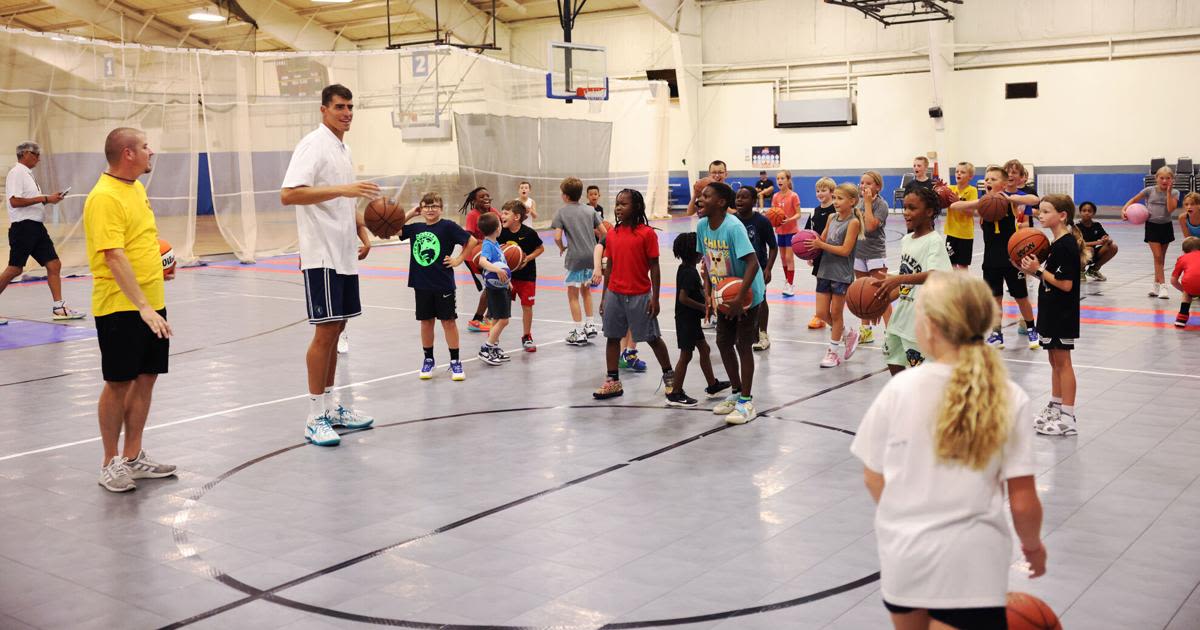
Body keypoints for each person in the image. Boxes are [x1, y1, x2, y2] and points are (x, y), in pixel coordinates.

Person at [851, 271, 1045, 630]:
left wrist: (905, 514)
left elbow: (872, 474)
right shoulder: (1007, 395)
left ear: (931, 327)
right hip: (974, 559)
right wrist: (1032, 546)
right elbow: (1022, 499)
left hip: (905, 554)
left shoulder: (900, 389)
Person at [280, 84, 376, 448]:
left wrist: (362, 231)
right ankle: (314, 415)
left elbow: (343, 199)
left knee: (338, 329)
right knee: (324, 332)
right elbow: (289, 194)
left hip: (343, 251)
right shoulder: (313, 145)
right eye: (339, 106)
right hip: (320, 254)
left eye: (351, 106)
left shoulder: (343, 147)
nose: (347, 112)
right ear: (323, 110)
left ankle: (333, 406)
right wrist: (344, 191)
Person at [83, 127, 177, 492]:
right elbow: (113, 255)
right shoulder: (104, 197)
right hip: (121, 307)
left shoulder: (135, 188)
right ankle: (110, 462)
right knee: (118, 382)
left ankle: (134, 456)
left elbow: (139, 243)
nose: (150, 152)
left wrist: (160, 268)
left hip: (151, 301)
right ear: (127, 153)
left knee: (147, 376)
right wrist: (142, 306)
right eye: (144, 146)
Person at [592, 189, 674, 399]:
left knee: (653, 338)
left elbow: (654, 267)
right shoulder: (612, 233)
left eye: (624, 204)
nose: (618, 208)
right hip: (614, 294)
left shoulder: (647, 233)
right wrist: (604, 296)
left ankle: (671, 378)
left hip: (639, 295)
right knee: (612, 337)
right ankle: (613, 381)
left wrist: (655, 298)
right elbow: (609, 266)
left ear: (636, 207)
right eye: (617, 204)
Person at [949, 166, 1039, 350]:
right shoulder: (984, 204)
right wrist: (977, 203)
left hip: (1012, 259)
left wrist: (1010, 197)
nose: (988, 181)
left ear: (1005, 184)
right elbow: (954, 206)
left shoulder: (1011, 202)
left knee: (1021, 297)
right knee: (995, 298)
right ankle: (997, 333)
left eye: (993, 179)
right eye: (987, 179)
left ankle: (1032, 329)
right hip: (990, 260)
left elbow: (1035, 199)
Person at [1021, 194, 1088, 436]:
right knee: (1053, 362)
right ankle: (1056, 405)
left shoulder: (1066, 244)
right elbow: (1047, 277)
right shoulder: (1054, 243)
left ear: (1062, 216)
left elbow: (1066, 284)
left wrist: (1037, 270)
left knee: (1063, 362)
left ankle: (1068, 417)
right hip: (1049, 309)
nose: (1040, 214)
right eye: (1040, 210)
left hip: (1062, 312)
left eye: (1046, 211)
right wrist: (1029, 268)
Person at [698, 182, 765, 424]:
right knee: (723, 342)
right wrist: (708, 294)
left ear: (721, 203)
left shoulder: (734, 227)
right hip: (724, 296)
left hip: (746, 295)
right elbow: (706, 262)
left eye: (706, 196)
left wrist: (739, 298)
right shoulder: (702, 226)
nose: (700, 199)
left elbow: (753, 263)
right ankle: (736, 392)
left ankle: (747, 401)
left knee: (742, 344)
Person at [1, 141, 84, 324]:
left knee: (54, 264)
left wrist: (49, 200)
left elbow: (30, 201)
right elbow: (14, 201)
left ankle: (59, 307)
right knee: (15, 269)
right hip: (23, 228)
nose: (38, 157)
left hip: (36, 227)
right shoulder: (17, 172)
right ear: (24, 154)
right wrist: (45, 197)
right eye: (35, 153)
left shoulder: (28, 174)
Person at [873, 186, 952, 375]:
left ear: (929, 212)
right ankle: (907, 400)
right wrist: (879, 301)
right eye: (904, 207)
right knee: (893, 359)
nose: (906, 213)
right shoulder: (906, 240)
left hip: (923, 319)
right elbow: (906, 283)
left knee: (921, 374)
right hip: (901, 315)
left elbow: (935, 275)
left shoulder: (934, 241)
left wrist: (898, 278)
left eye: (912, 208)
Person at [399, 192, 474, 380]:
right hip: (421, 283)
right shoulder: (415, 228)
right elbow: (395, 229)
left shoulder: (447, 226)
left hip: (442, 283)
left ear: (441, 209)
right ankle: (428, 360)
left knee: (448, 322)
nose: (430, 210)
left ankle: (455, 362)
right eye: (426, 206)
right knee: (426, 322)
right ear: (420, 209)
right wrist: (410, 213)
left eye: (434, 206)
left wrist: (458, 260)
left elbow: (471, 241)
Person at [667, 231, 730, 407]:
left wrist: (704, 279)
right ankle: (675, 393)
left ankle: (712, 385)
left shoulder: (688, 270)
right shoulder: (688, 273)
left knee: (704, 349)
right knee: (686, 356)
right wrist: (704, 307)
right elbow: (683, 298)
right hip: (686, 321)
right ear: (694, 251)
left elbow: (698, 291)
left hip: (690, 320)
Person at [804, 183, 862, 368]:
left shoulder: (853, 222)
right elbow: (821, 238)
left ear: (852, 201)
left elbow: (845, 250)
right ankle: (847, 334)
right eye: (835, 198)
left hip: (841, 274)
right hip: (825, 270)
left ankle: (833, 353)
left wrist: (821, 246)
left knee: (836, 314)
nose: (836, 202)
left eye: (840, 198)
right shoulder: (831, 217)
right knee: (821, 312)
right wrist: (811, 250)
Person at [552, 176, 604, 346]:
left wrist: (561, 247)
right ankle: (590, 325)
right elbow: (604, 233)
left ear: (565, 196)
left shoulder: (562, 212)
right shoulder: (590, 211)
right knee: (586, 290)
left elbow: (557, 236)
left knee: (573, 295)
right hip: (591, 256)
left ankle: (577, 331)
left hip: (574, 258)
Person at [1123, 165, 1179, 300]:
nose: (1165, 181)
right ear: (1156, 178)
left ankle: (1155, 285)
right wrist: (1124, 210)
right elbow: (1133, 200)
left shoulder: (1175, 193)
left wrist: (1169, 192)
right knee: (1158, 256)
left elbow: (1171, 209)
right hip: (1152, 226)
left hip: (1166, 226)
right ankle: (1164, 286)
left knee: (1160, 259)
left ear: (1172, 179)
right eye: (1162, 178)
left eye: (1168, 178)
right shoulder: (1149, 190)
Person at [733, 186, 777, 351]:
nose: (739, 200)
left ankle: (763, 334)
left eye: (744, 197)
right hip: (737, 268)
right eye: (738, 197)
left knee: (760, 300)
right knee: (737, 298)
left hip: (758, 268)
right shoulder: (731, 220)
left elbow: (773, 247)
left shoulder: (762, 221)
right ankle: (742, 332)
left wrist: (768, 269)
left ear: (753, 201)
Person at [498, 199, 544, 352]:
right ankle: (494, 340)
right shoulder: (500, 233)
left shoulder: (529, 233)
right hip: (506, 277)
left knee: (527, 306)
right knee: (501, 308)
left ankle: (527, 335)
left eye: (505, 213)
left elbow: (540, 248)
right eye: (502, 213)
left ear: (516, 217)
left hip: (527, 276)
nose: (501, 215)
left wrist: (527, 258)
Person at [854, 170, 891, 344]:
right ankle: (865, 330)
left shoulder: (881, 205)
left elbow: (869, 226)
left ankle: (891, 332)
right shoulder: (857, 202)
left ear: (878, 186)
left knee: (881, 293)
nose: (864, 186)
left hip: (875, 253)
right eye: (862, 183)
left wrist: (867, 204)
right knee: (862, 293)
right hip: (859, 253)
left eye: (868, 183)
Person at [475, 212, 512, 366]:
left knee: (496, 319)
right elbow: (482, 261)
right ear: (498, 228)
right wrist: (497, 271)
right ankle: (486, 347)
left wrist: (507, 281)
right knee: (504, 321)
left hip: (500, 287)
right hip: (494, 289)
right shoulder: (488, 245)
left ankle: (493, 348)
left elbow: (502, 265)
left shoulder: (495, 243)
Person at [461, 187, 499, 331]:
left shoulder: (493, 212)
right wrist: (484, 242)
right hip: (474, 257)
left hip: (487, 255)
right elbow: (468, 238)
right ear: (474, 201)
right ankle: (480, 319)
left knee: (493, 285)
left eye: (487, 195)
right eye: (481, 196)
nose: (485, 198)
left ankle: (484, 318)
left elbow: (503, 225)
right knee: (491, 286)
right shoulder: (472, 215)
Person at [804, 177, 837, 329]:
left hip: (833, 254)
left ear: (832, 192)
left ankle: (832, 315)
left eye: (823, 190)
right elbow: (808, 233)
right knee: (820, 282)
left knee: (834, 286)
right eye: (818, 191)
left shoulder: (836, 211)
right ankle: (820, 315)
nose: (820, 193)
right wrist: (809, 254)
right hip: (818, 253)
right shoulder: (814, 211)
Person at [771, 169, 801, 297]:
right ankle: (787, 281)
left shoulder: (793, 196)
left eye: (782, 178)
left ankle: (790, 284)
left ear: (788, 180)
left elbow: (799, 214)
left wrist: (790, 219)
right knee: (782, 258)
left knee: (789, 258)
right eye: (778, 178)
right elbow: (773, 213)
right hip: (780, 231)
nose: (779, 181)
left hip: (791, 231)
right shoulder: (775, 196)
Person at [944, 161, 977, 270]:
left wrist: (958, 202)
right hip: (951, 233)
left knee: (963, 265)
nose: (958, 174)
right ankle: (954, 285)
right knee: (950, 263)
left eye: (962, 172)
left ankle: (964, 286)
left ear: (970, 176)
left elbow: (971, 212)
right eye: (957, 171)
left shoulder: (972, 191)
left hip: (965, 235)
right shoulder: (950, 190)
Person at [1077, 200, 1117, 281]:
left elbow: (1105, 236)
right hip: (1078, 255)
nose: (1086, 213)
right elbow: (1079, 244)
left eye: (1089, 211)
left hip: (1092, 254)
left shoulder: (1097, 225)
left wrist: (1106, 239)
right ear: (1080, 212)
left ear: (1093, 213)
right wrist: (1097, 242)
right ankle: (1080, 271)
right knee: (1089, 249)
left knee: (1113, 247)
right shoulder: (1076, 227)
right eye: (1084, 211)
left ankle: (1094, 270)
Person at [1172, 236, 1200, 328]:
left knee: (1187, 291)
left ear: (1184, 251)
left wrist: (1184, 290)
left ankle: (1181, 318)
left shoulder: (1182, 258)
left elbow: (1173, 281)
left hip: (1191, 285)